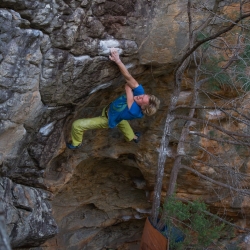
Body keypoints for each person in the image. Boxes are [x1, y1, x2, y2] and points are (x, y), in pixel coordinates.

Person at [66, 48, 160, 149]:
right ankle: (133, 137)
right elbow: (128, 77)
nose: (140, 96)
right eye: (144, 95)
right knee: (122, 121)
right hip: (117, 114)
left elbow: (128, 87)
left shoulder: (134, 111)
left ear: (142, 108)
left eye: (142, 100)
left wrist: (130, 88)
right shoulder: (139, 95)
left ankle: (76, 143)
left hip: (108, 119)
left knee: (77, 125)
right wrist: (118, 61)